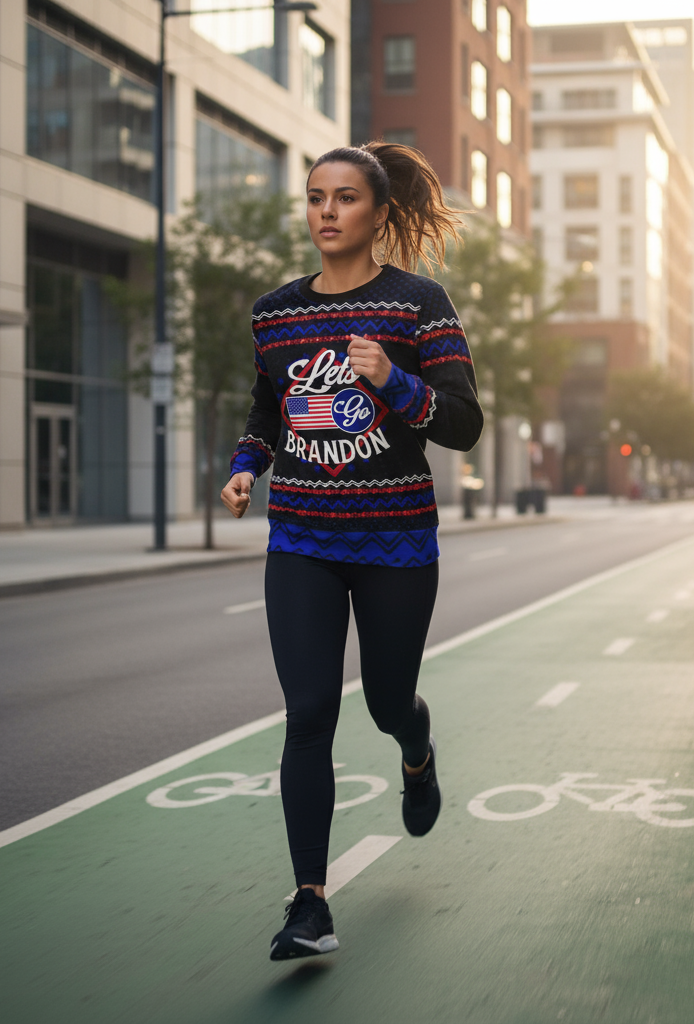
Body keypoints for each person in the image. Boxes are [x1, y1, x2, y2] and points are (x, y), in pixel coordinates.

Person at [220, 142, 483, 961]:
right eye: (314, 198)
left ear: (377, 213)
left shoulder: (418, 304)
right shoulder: (275, 313)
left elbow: (466, 424)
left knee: (384, 701)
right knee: (309, 715)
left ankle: (416, 747)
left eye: (343, 198)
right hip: (301, 537)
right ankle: (310, 904)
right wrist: (243, 467)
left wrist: (395, 384)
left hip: (395, 540)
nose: (326, 212)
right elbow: (269, 409)